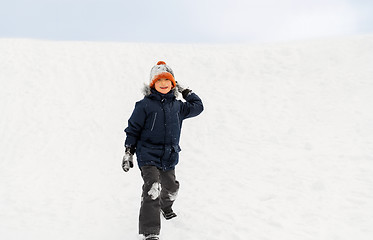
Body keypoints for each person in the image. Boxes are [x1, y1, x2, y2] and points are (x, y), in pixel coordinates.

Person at [122, 61, 204, 240]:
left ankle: (165, 207)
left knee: (171, 187)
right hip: (148, 155)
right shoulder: (144, 105)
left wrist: (185, 91)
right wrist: (129, 151)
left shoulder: (179, 106)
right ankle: (150, 231)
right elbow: (133, 129)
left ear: (173, 84)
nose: (164, 83)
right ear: (153, 84)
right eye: (159, 80)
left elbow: (199, 107)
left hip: (169, 156)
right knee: (153, 188)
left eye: (168, 80)